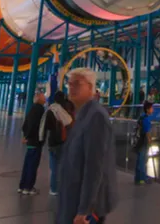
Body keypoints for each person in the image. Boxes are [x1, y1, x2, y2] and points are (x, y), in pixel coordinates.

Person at [56, 68, 118, 224]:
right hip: (74, 199)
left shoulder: (95, 116)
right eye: (69, 84)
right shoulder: (83, 114)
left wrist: (85, 209)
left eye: (77, 83)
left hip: (86, 208)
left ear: (91, 88)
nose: (71, 87)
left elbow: (94, 166)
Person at [40, 91, 73, 196]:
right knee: (63, 165)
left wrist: (41, 138)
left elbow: (44, 126)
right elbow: (69, 121)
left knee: (54, 167)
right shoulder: (63, 110)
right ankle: (63, 187)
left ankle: (53, 188)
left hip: (51, 141)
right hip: (61, 141)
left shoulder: (49, 110)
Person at [18, 92, 46, 195]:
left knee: (27, 164)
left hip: (30, 141)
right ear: (39, 99)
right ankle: (29, 187)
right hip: (35, 141)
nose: (45, 98)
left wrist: (25, 136)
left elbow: (26, 124)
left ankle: (22, 186)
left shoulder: (32, 109)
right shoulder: (40, 109)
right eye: (43, 97)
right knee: (33, 165)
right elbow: (36, 126)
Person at [134, 101, 153, 185]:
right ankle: (142, 178)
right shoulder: (147, 119)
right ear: (147, 109)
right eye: (151, 108)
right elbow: (147, 131)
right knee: (142, 160)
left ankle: (137, 178)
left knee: (139, 159)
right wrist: (150, 139)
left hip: (138, 141)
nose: (153, 110)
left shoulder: (141, 117)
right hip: (143, 141)